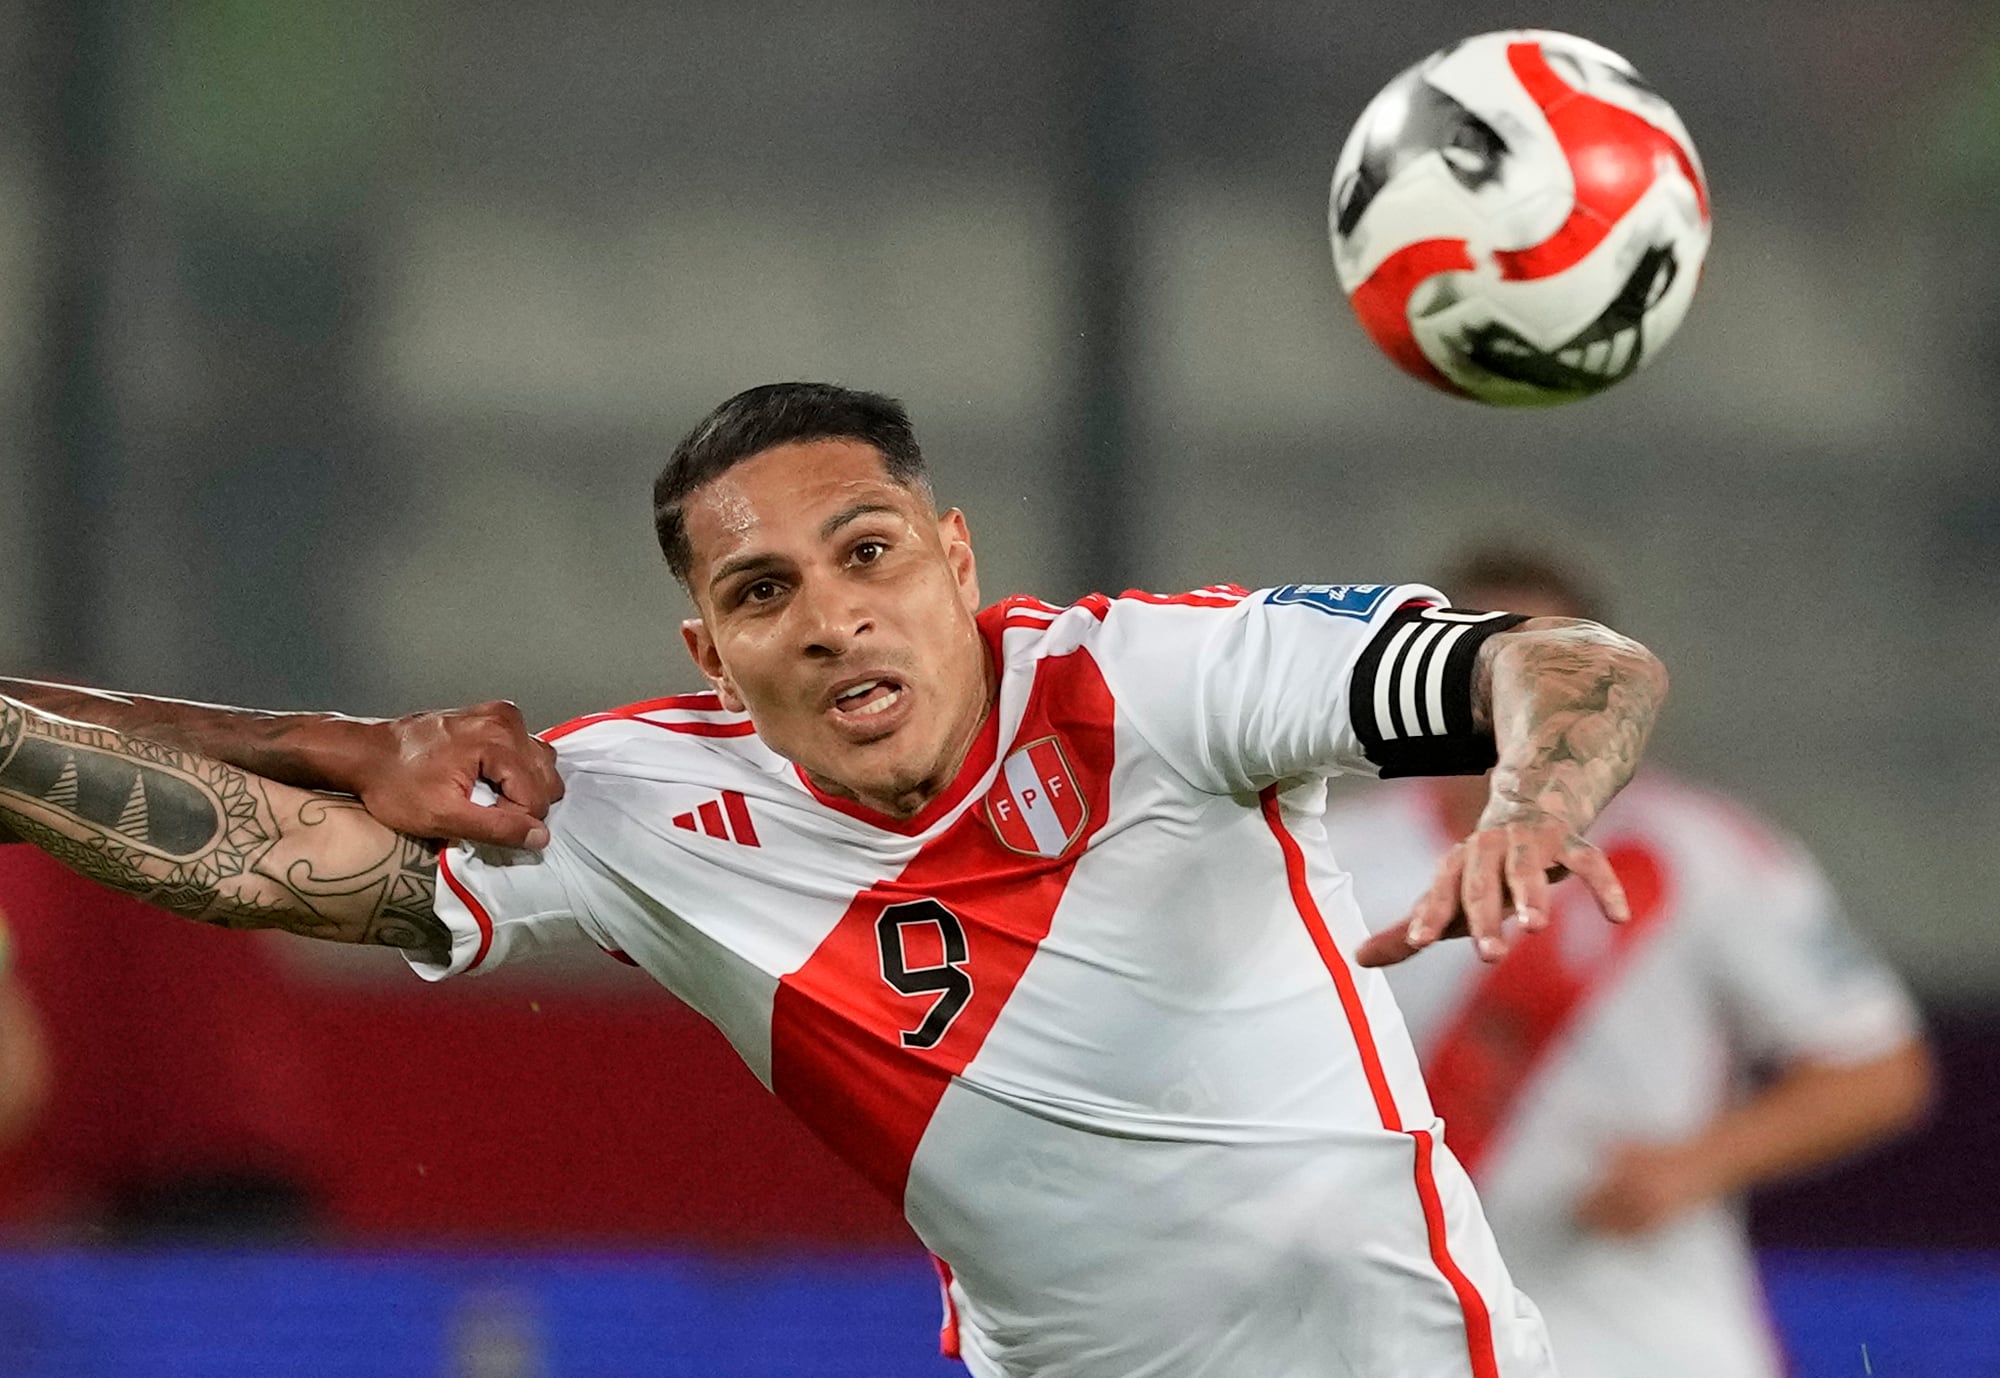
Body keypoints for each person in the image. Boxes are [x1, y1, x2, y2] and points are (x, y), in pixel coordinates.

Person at [0, 382, 1670, 1377]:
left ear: (954, 561)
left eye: (868, 551)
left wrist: (1531, 791)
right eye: (763, 588)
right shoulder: (650, 804)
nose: (831, 613)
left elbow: (1574, 661)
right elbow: (285, 863)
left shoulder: (1165, 681)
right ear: (712, 650)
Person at [1323, 543, 1934, 1378]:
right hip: (1392, 1334)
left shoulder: (1705, 856)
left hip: (1645, 1338)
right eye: (1489, 664)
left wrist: (1693, 1166)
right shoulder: (1333, 858)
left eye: (1554, 665)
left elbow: (1877, 1066)